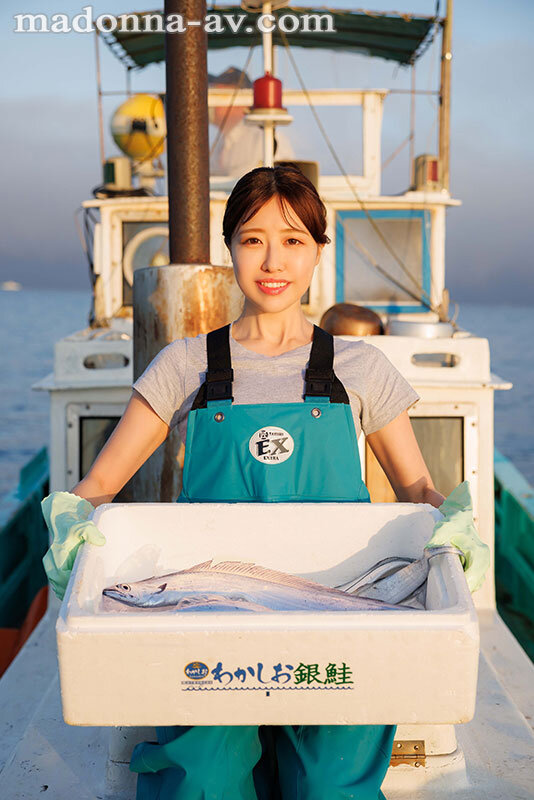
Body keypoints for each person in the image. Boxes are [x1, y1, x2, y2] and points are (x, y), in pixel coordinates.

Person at [41, 163, 490, 799]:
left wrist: (455, 532)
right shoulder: (185, 364)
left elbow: (417, 488)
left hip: (338, 621)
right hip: (211, 622)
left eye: (293, 240)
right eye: (253, 239)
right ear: (230, 247)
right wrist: (71, 533)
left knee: (333, 783)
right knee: (205, 778)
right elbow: (101, 484)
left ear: (318, 251)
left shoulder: (361, 366)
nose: (273, 261)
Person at [209, 66, 295, 177]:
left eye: (219, 97)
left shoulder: (265, 139)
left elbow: (282, 181)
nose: (211, 105)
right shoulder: (219, 143)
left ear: (242, 103)